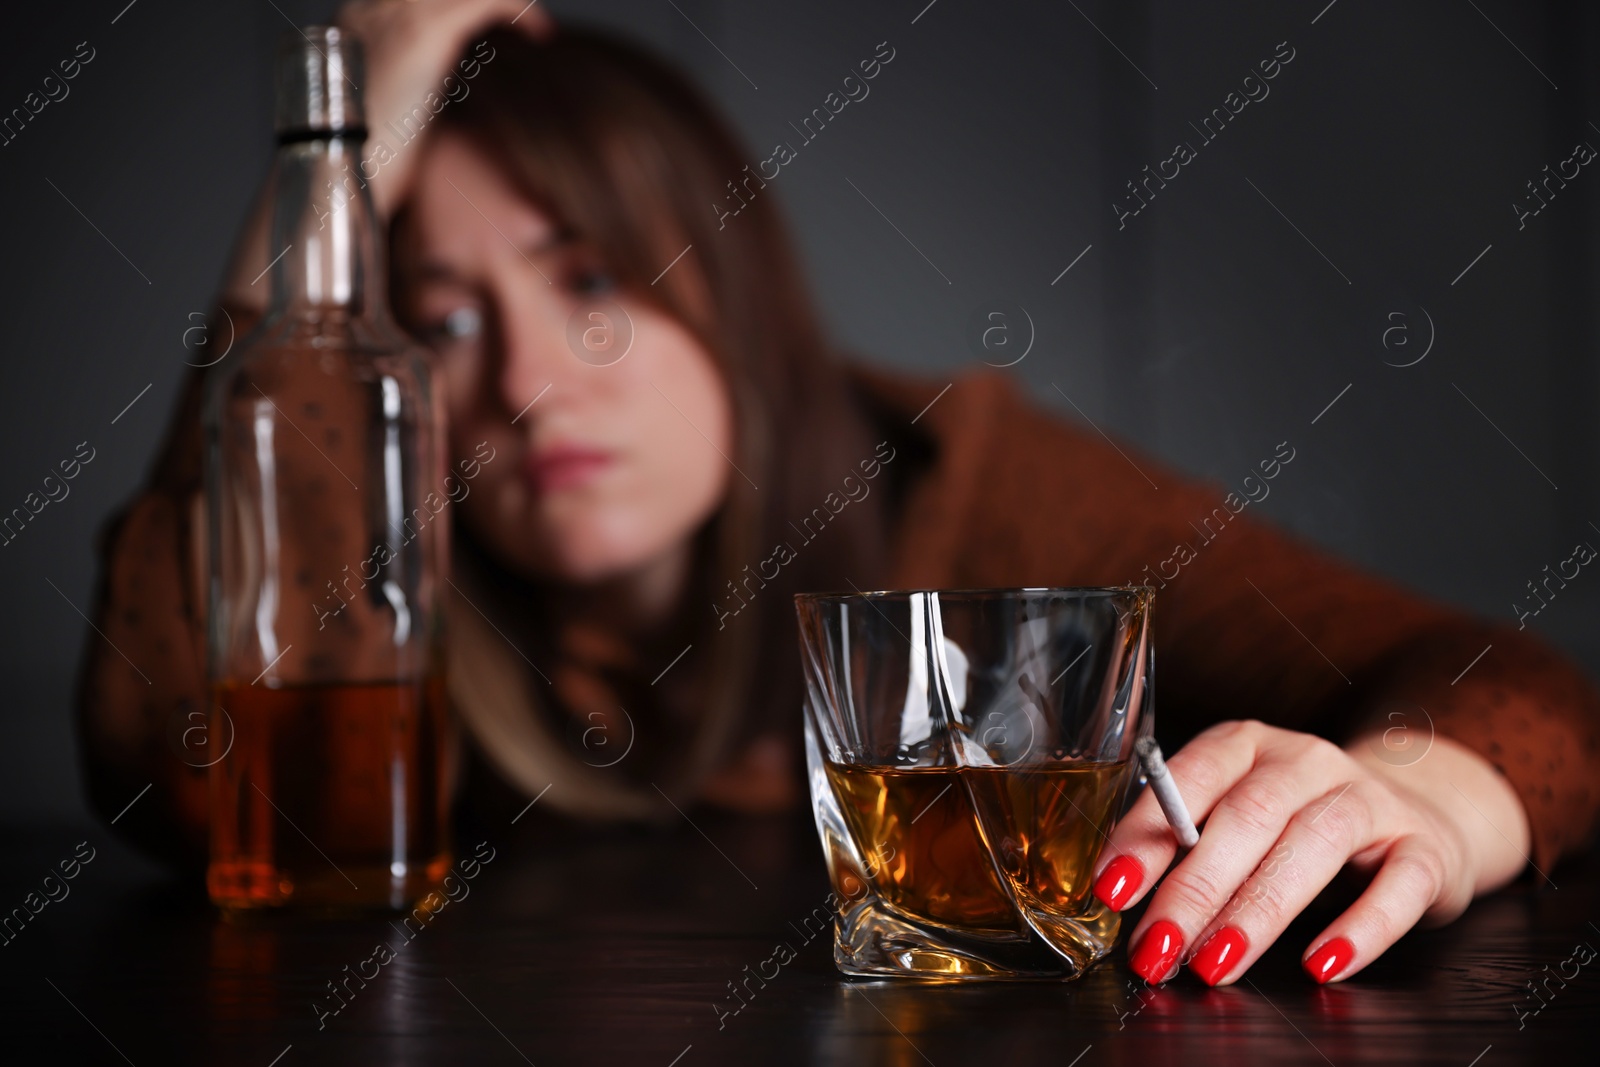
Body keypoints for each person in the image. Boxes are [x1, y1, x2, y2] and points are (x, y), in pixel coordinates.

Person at [76, 0, 1599, 990]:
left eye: (594, 284)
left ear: (726, 294)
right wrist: (352, 119)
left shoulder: (963, 480)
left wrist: (1429, 791)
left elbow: (1515, 691)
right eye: (446, 321)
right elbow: (166, 757)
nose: (534, 377)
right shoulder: (392, 576)